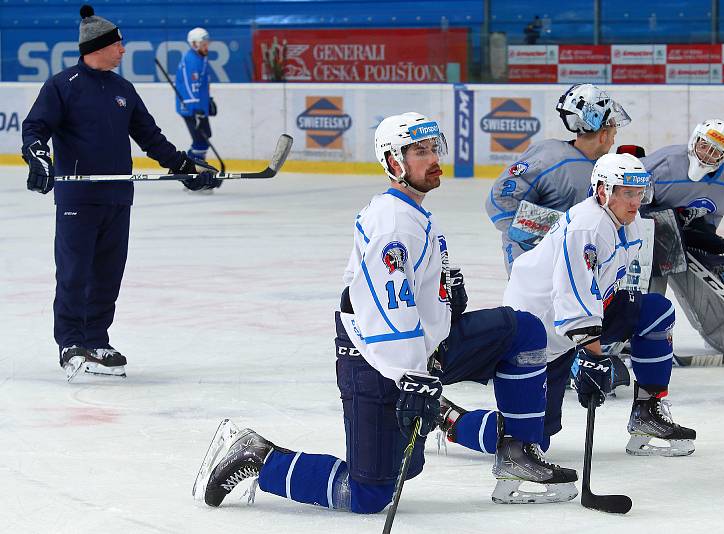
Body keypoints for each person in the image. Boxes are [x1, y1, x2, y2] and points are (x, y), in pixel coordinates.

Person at [193, 112, 580, 512]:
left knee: (524, 330)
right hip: (376, 359)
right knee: (370, 493)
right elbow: (386, 314)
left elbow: (415, 295)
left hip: (424, 348)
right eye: (419, 152)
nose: (433, 159)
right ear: (394, 163)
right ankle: (259, 456)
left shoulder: (413, 212)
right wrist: (414, 380)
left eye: (434, 148)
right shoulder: (394, 223)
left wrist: (446, 297)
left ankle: (514, 449)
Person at [441, 153, 696, 458]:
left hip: (577, 321)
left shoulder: (631, 224)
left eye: (639, 193)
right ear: (603, 191)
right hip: (538, 329)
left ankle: (647, 413)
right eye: (627, 193)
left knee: (654, 312)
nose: (635, 202)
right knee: (526, 439)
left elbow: (599, 290)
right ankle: (442, 416)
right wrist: (593, 355)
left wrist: (597, 346)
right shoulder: (587, 228)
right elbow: (573, 297)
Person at [21, 4, 220, 381]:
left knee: (108, 274)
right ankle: (70, 343)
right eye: (119, 44)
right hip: (78, 200)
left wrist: (185, 168)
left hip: (118, 198)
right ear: (99, 46)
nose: (124, 50)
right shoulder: (63, 86)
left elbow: (151, 137)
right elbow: (34, 130)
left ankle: (96, 338)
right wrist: (38, 159)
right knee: (75, 272)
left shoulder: (123, 90)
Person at [485, 83, 631, 275]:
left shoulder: (603, 168)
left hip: (576, 269)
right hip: (535, 270)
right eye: (613, 134)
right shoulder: (549, 157)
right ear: (603, 135)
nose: (613, 141)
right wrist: (558, 235)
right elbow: (500, 203)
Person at [639, 120, 724, 355]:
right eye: (705, 146)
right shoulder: (663, 165)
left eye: (717, 152)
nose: (708, 155)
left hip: (687, 231)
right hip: (650, 231)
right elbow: (628, 199)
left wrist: (701, 238)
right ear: (694, 141)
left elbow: (713, 215)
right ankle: (639, 332)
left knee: (708, 260)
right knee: (651, 279)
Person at [175, 27, 221, 191]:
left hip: (199, 107)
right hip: (191, 108)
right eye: (203, 43)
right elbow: (188, 86)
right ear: (194, 44)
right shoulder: (191, 60)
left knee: (204, 138)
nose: (206, 46)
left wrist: (207, 101)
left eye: (207, 43)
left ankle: (186, 170)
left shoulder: (201, 58)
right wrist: (195, 109)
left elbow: (202, 84)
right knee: (201, 141)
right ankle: (191, 176)